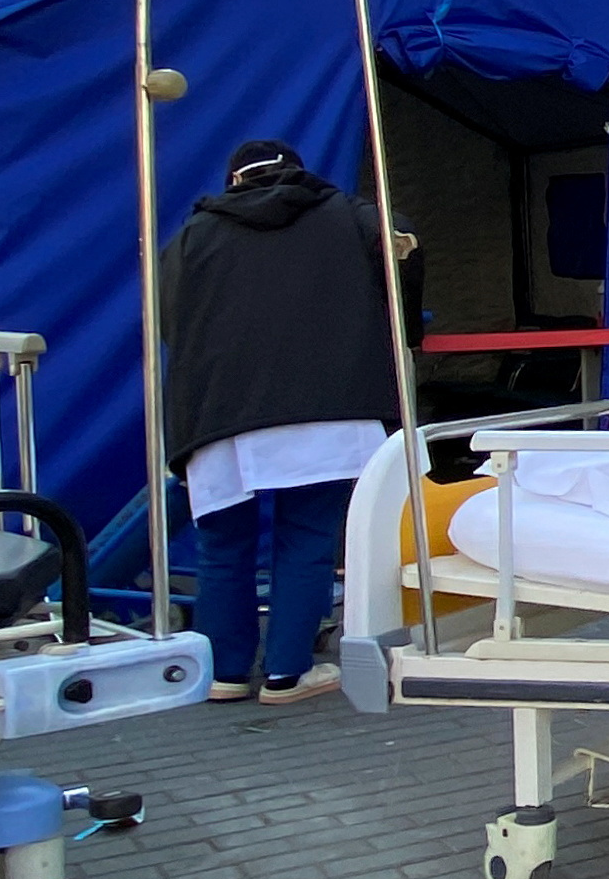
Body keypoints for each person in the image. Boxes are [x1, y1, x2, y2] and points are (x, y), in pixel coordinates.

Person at [162, 140, 422, 705]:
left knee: (222, 546)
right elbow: (398, 243)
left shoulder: (193, 235)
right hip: (328, 408)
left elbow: (170, 323)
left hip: (221, 411)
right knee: (306, 540)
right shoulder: (345, 213)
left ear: (235, 180)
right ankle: (287, 672)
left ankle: (225, 673)